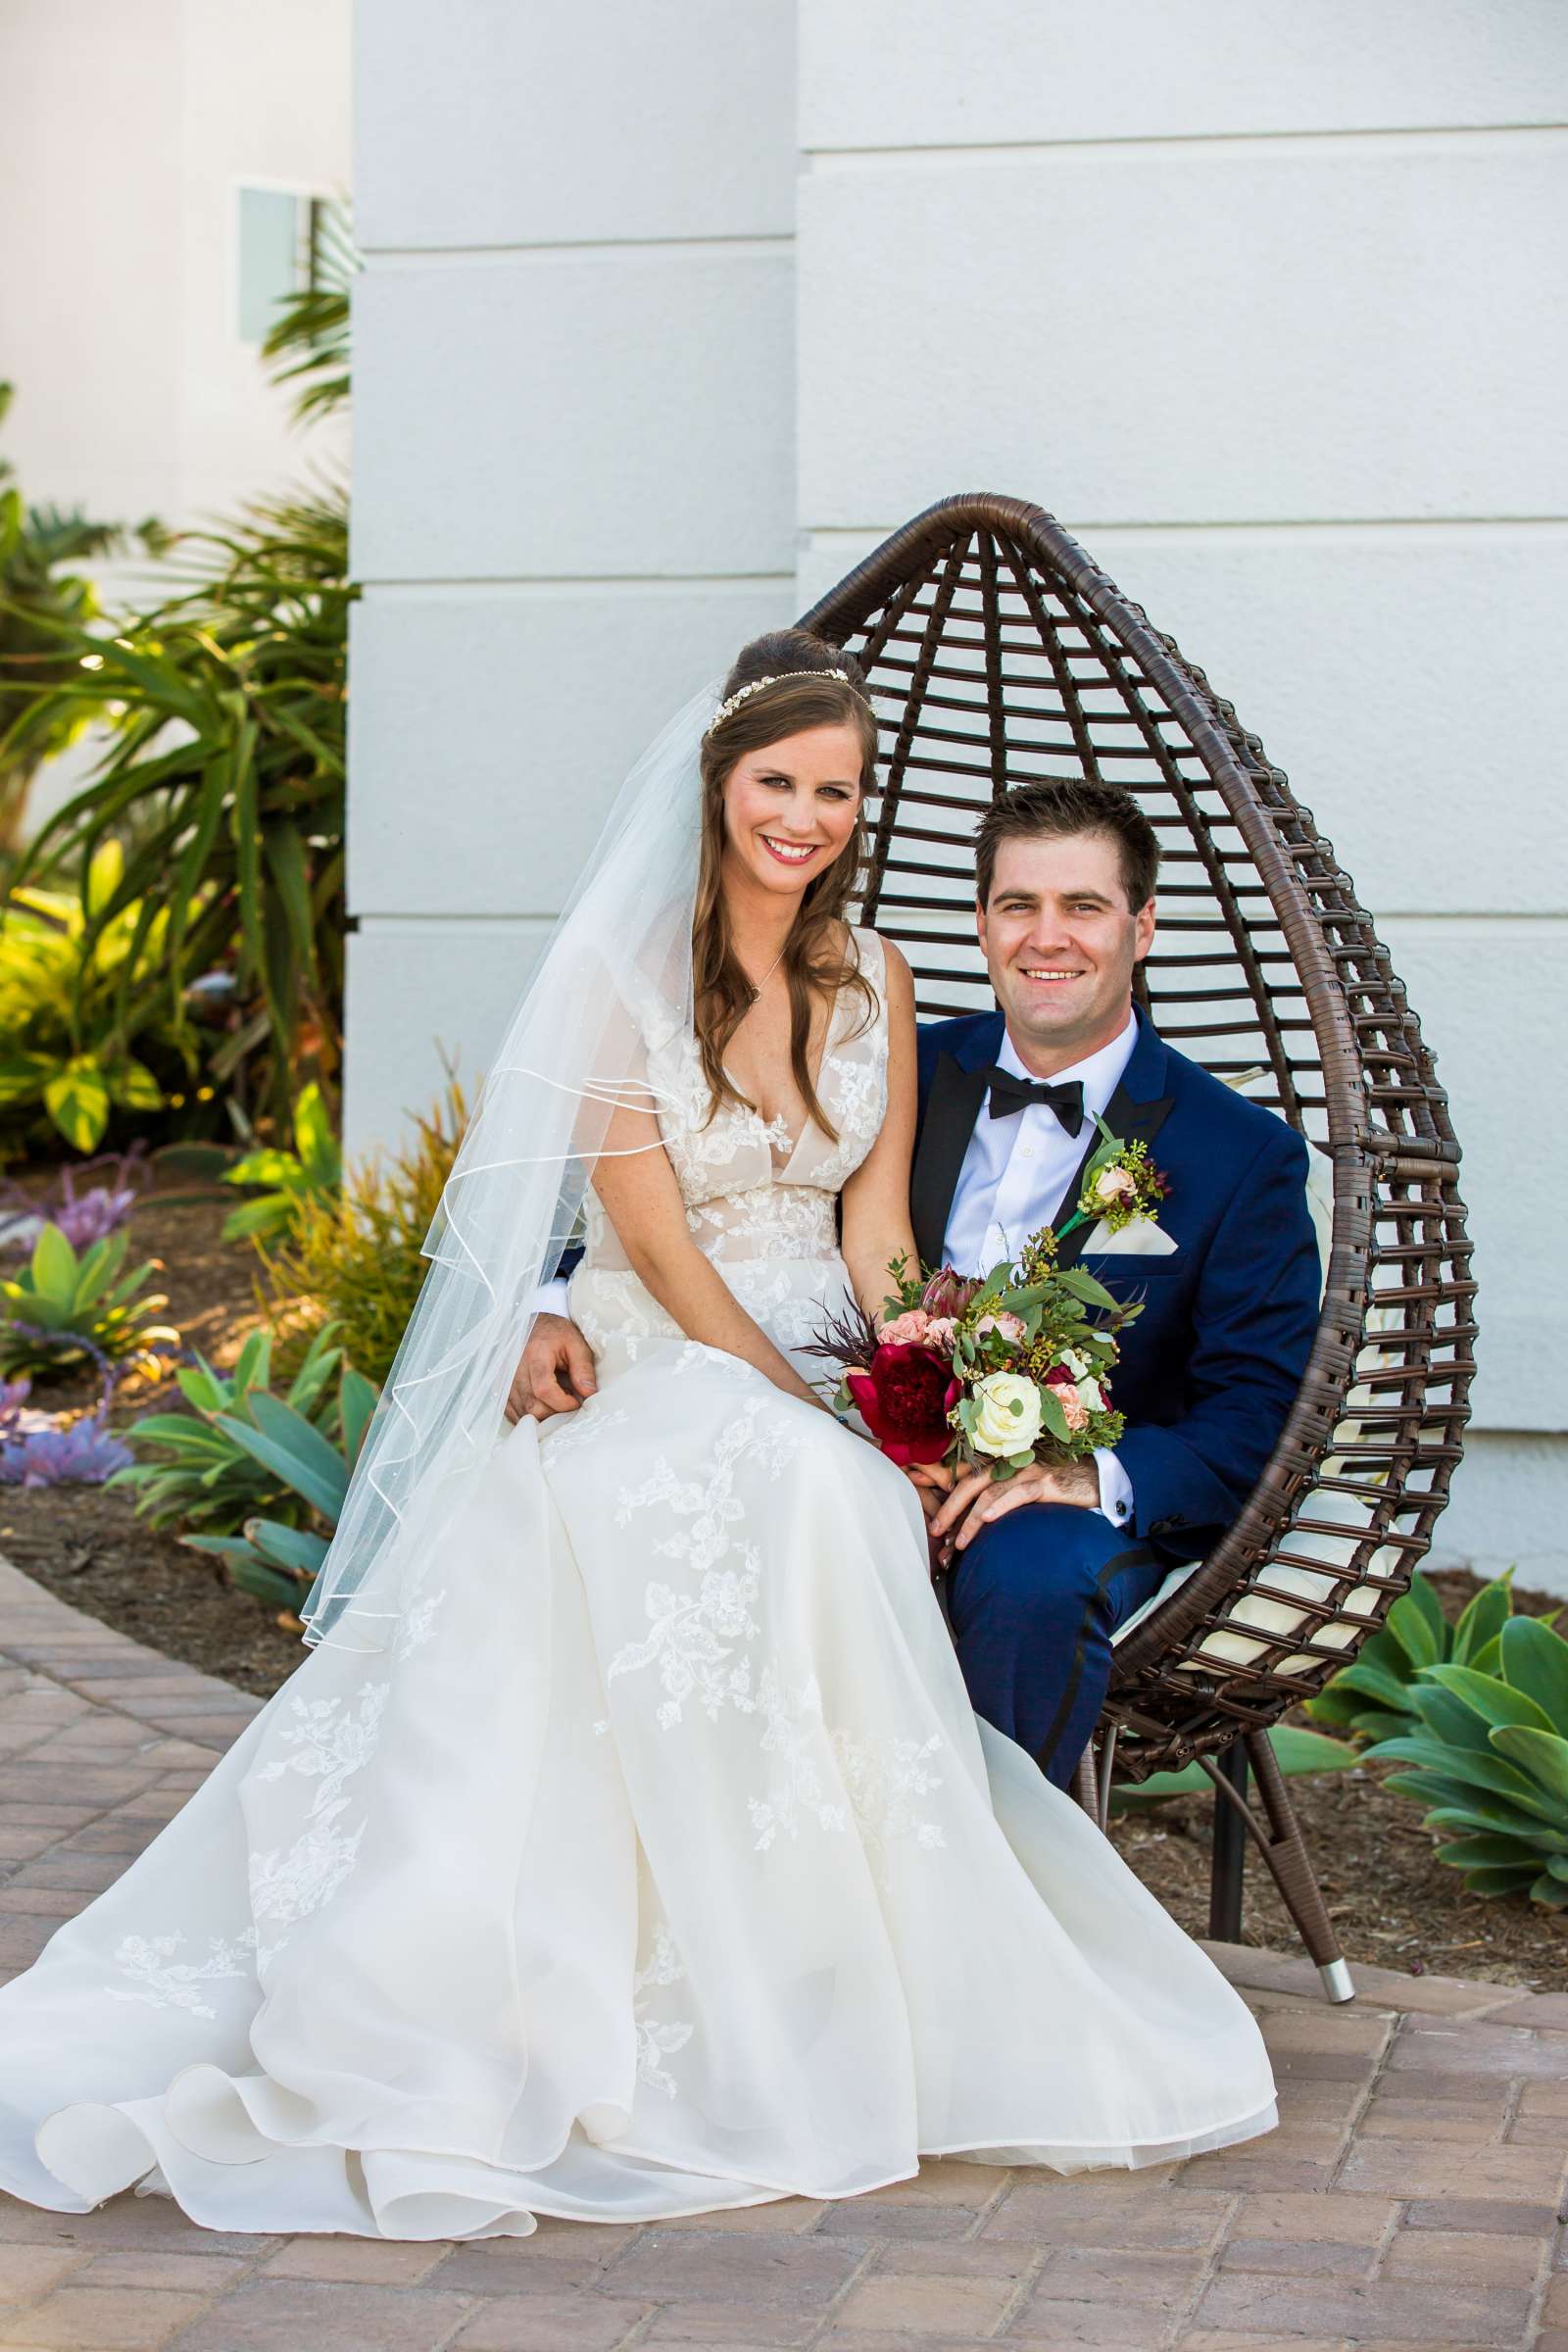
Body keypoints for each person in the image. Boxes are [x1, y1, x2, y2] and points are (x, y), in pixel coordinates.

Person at [0, 634, 1280, 2242]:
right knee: (785, 1491)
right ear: (718, 788)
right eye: (776, 785)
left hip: (817, 1338)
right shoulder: (618, 978)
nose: (803, 818)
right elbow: (659, 1248)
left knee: (840, 1495)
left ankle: (819, 1956)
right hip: (664, 1348)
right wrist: (812, 1410)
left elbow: (879, 1228)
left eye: (835, 791)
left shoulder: (874, 976)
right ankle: (638, 1987)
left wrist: (925, 1381)